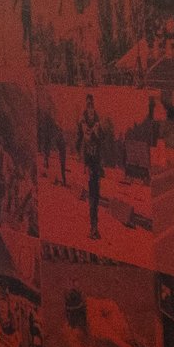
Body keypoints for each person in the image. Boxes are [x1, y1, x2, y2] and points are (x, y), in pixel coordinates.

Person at [77, 94, 106, 240]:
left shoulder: (97, 122)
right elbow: (81, 140)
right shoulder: (83, 122)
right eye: (88, 105)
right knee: (92, 197)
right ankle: (93, 228)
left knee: (96, 196)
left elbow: (102, 139)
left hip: (96, 164)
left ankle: (95, 228)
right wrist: (83, 162)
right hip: (89, 164)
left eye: (91, 105)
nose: (90, 108)